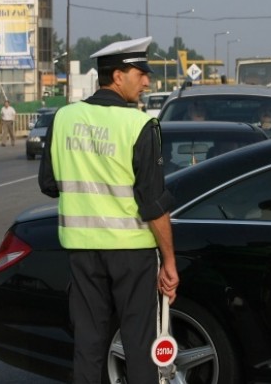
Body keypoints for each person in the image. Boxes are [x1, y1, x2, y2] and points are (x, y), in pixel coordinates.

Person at [38, 36, 179, 384]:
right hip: (131, 252)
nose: (147, 81)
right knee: (139, 342)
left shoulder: (64, 118)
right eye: (140, 73)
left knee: (88, 342)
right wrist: (170, 262)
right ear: (118, 76)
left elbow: (49, 184)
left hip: (83, 249)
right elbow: (153, 204)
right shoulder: (139, 125)